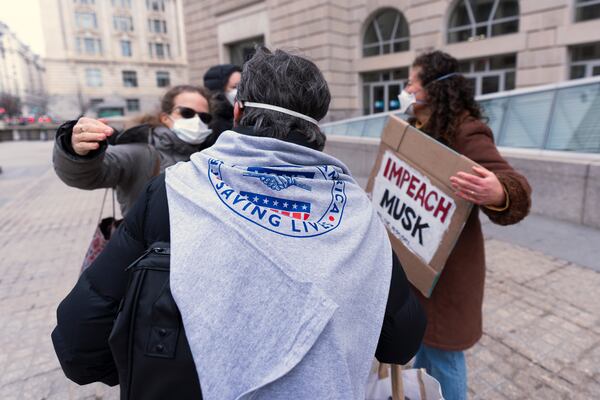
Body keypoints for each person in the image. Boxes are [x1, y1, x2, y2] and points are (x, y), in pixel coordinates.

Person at [52, 47, 427, 399]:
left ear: (238, 111)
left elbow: (79, 343)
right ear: (317, 126)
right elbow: (401, 341)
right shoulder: (357, 211)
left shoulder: (173, 192)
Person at [397, 50, 532, 400]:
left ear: (432, 89)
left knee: (444, 354)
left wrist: (498, 191)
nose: (406, 88)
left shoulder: (465, 131)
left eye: (411, 81)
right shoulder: (413, 129)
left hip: (449, 271)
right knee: (424, 344)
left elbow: (514, 185)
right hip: (419, 264)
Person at [53, 85, 212, 216]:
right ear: (165, 117)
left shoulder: (207, 154)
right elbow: (85, 176)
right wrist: (75, 149)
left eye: (204, 117)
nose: (197, 121)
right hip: (150, 250)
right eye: (187, 113)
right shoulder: (140, 152)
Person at [203, 63, 242, 139]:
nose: (240, 91)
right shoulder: (214, 124)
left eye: (242, 86)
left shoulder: (244, 114)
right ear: (219, 90)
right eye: (235, 87)